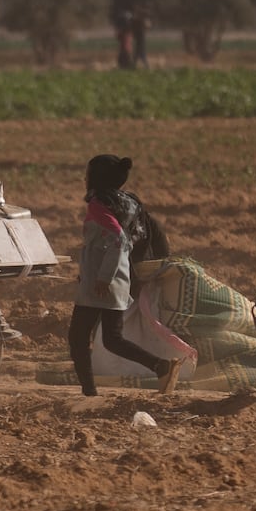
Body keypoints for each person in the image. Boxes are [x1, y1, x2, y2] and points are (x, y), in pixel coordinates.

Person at [69, 155, 183, 397]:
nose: (84, 178)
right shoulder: (130, 202)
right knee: (113, 338)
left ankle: (89, 391)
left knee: (78, 337)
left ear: (96, 179)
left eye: (88, 174)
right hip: (122, 280)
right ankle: (160, 366)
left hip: (101, 284)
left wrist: (102, 277)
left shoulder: (99, 204)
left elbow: (117, 239)